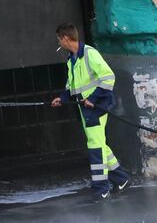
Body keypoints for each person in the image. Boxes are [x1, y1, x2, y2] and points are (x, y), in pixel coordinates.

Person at [51, 23, 130, 200]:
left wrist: (93, 99)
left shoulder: (89, 54)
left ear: (65, 38)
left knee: (95, 147)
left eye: (59, 39)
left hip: (97, 108)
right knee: (100, 143)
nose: (58, 43)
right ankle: (121, 178)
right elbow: (72, 85)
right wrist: (62, 98)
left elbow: (108, 77)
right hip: (85, 109)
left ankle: (101, 188)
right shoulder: (72, 58)